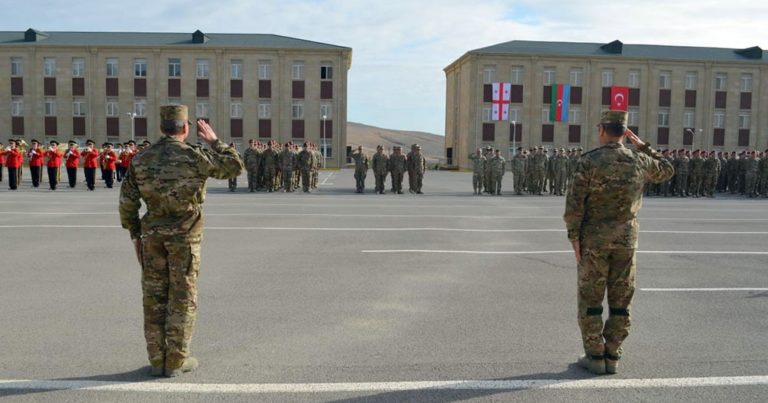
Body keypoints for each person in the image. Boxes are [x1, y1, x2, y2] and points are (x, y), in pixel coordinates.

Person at [119, 104, 243, 377]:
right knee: (182, 296)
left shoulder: (141, 159)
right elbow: (235, 167)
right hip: (185, 237)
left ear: (162, 128)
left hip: (152, 236)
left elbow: (127, 201)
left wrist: (134, 235)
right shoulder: (194, 156)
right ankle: (175, 361)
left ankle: (156, 360)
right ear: (186, 128)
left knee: (154, 297)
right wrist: (214, 141)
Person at [564, 111, 673, 375]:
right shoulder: (640, 159)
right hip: (626, 241)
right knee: (621, 297)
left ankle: (595, 355)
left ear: (602, 130)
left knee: (591, 297)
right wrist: (642, 145)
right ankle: (613, 353)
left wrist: (573, 237)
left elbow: (574, 205)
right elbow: (668, 170)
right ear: (625, 132)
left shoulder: (589, 161)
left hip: (594, 241)